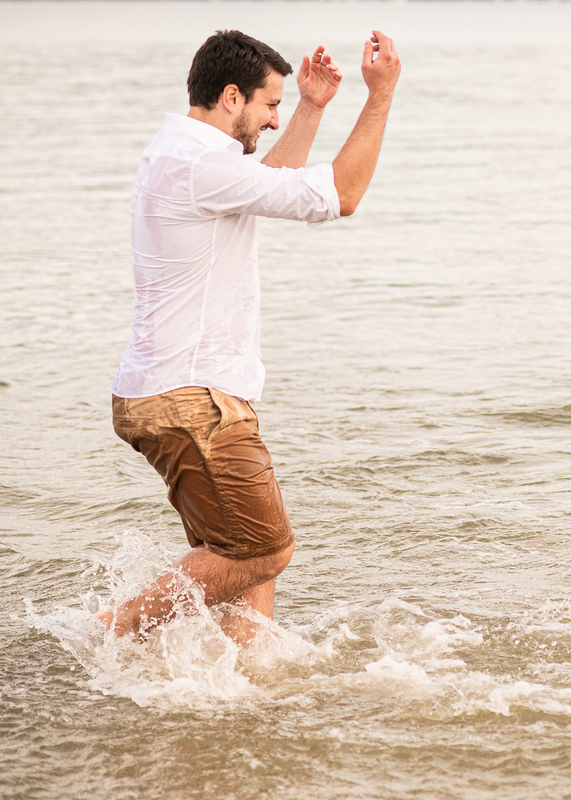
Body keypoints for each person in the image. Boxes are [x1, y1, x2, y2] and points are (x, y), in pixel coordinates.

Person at [102, 29, 402, 643]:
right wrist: (381, 95)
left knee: (240, 553)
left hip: (184, 393)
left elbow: (263, 184)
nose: (273, 120)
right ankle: (105, 631)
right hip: (191, 399)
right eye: (270, 105)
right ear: (232, 96)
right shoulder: (201, 165)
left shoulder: (185, 156)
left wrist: (311, 107)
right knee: (264, 549)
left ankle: (245, 674)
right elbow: (342, 195)